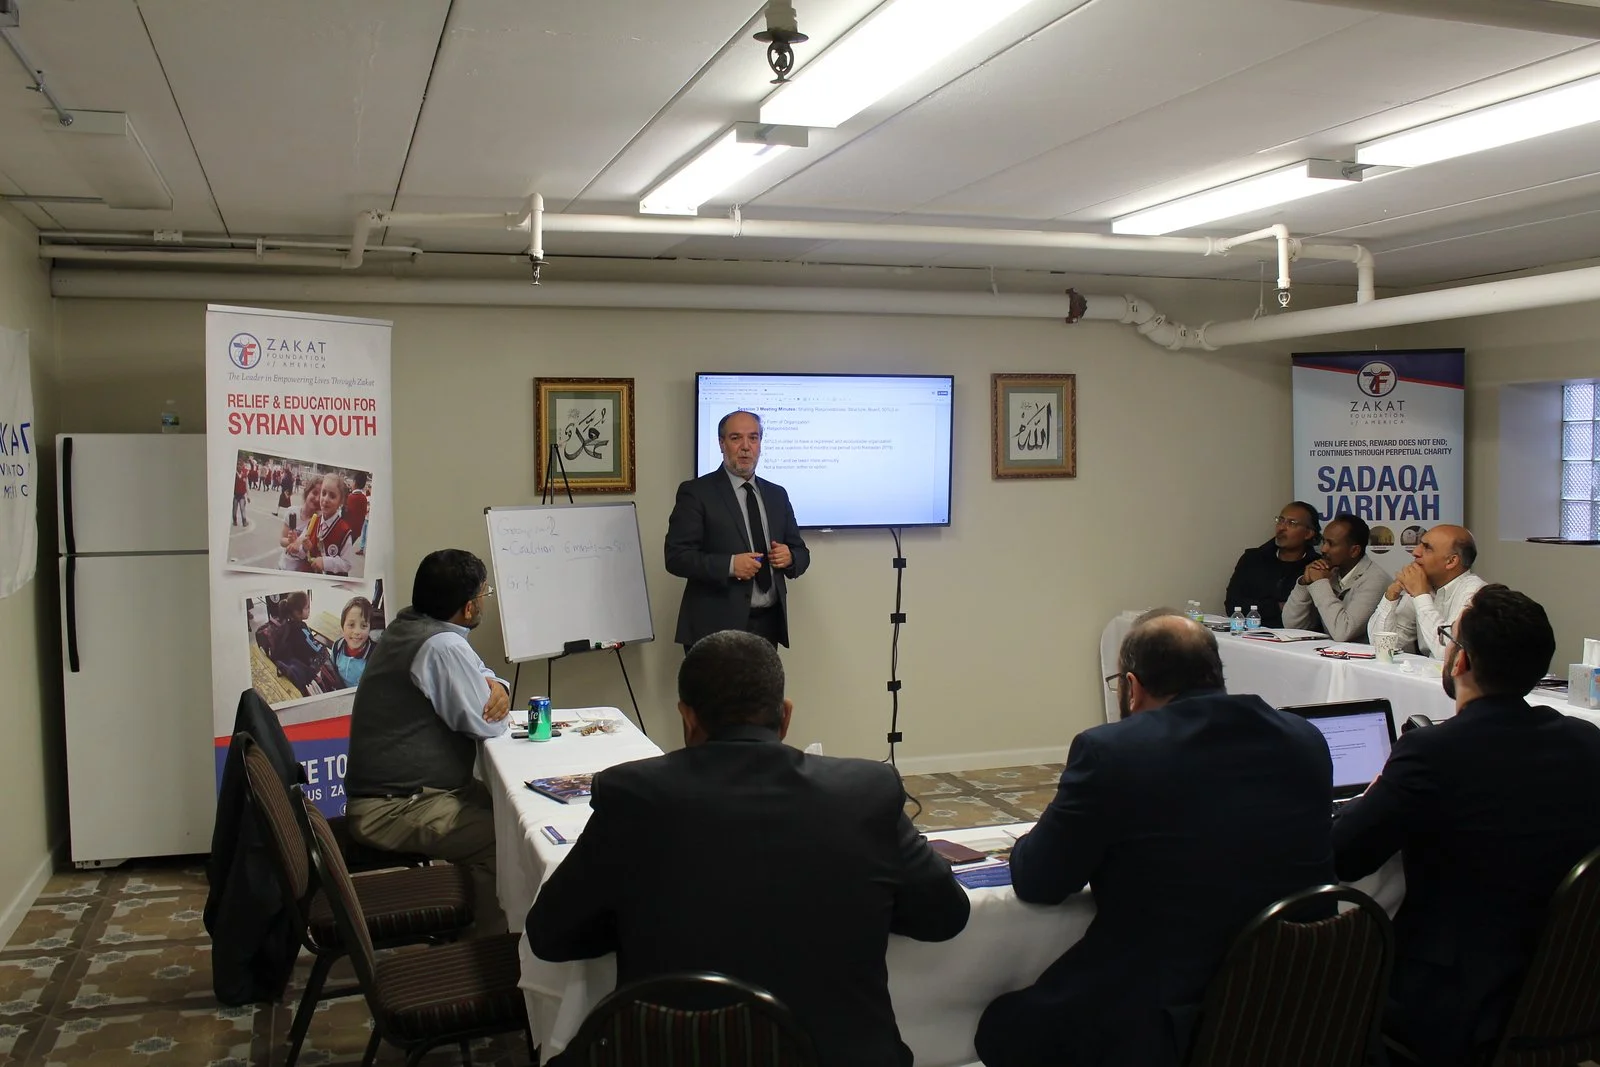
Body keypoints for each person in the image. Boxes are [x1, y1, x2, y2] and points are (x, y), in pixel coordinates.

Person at [526, 630, 969, 1067]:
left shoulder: (631, 794)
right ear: (786, 716)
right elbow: (944, 916)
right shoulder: (867, 790)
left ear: (687, 717)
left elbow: (551, 936)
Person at [974, 611, 1333, 1067]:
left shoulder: (1112, 751)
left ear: (1132, 686)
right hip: (1294, 1005)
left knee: (1002, 1030)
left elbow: (1039, 880)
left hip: (1165, 1015)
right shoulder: (1304, 738)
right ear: (1216, 675)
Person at [1333, 585, 1600, 1066]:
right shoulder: (1586, 743)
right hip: (1569, 985)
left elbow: (1345, 856)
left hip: (1451, 1001)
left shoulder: (1434, 752)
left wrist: (1371, 798)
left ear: (1460, 662)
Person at [345, 549, 510, 934]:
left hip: (409, 794)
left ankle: (482, 924)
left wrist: (497, 685)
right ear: (468, 608)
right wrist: (495, 692)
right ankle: (490, 951)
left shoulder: (412, 623)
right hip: (394, 807)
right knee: (505, 841)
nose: (485, 601)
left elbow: (478, 673)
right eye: (484, 594)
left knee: (514, 815)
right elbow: (484, 724)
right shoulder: (440, 646)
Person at [664, 410, 810, 649]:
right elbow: (676, 558)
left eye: (753, 438)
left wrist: (790, 557)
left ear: (760, 444)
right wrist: (730, 565)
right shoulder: (697, 493)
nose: (745, 447)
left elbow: (802, 553)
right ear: (722, 444)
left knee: (763, 689)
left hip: (767, 626)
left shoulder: (777, 494)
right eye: (736, 438)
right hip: (714, 629)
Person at [1365, 523, 1484, 658]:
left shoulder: (1476, 594)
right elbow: (1381, 645)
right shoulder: (1423, 585)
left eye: (1427, 548)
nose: (1415, 552)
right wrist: (1392, 594)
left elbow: (1449, 653)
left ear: (1451, 561)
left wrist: (1421, 596)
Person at [1282, 513, 1386, 640]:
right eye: (1324, 541)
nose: (1323, 549)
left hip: (1364, 657)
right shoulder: (1329, 572)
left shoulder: (1375, 580)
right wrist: (1305, 583)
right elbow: (1291, 626)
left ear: (1354, 551)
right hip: (1328, 654)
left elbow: (1343, 632)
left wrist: (1320, 584)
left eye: (1331, 544)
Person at [1223, 502, 1321, 628]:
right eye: (1280, 520)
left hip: (1296, 642)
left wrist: (1260, 606)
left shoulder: (1315, 568)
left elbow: (1311, 615)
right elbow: (1233, 606)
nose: (1281, 528)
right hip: (1250, 636)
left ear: (1308, 533)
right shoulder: (1253, 558)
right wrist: (1277, 607)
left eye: (1291, 523)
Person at [304, 473, 358, 576]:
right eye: (323, 493)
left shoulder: (344, 531)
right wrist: (306, 547)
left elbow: (347, 564)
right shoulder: (314, 521)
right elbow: (305, 552)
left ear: (340, 502)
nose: (326, 499)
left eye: (332, 496)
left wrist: (325, 562)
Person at [331, 596, 375, 689]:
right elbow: (333, 672)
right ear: (343, 626)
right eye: (351, 625)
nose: (357, 632)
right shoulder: (337, 647)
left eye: (363, 625)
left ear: (370, 628)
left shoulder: (375, 655)